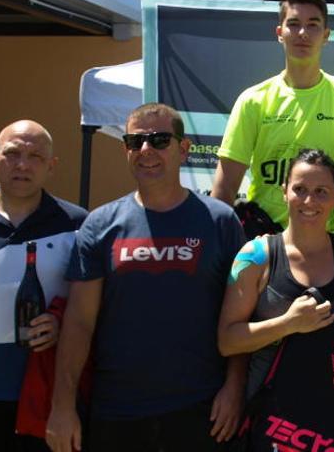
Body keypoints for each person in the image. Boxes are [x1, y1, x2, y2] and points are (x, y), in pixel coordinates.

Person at [46, 104, 246, 452]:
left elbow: (241, 316)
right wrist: (62, 406)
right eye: (134, 141)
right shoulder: (100, 223)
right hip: (118, 411)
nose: (145, 150)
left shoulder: (221, 221)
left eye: (159, 140)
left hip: (202, 409)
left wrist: (235, 388)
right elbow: (78, 323)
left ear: (183, 149)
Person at [212, 0, 334, 238]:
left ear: (326, 35)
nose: (302, 33)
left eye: (313, 25)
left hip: (332, 243)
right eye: (294, 24)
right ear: (279, 33)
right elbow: (225, 188)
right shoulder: (253, 100)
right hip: (266, 241)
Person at [217, 148, 334, 398]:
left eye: (321, 192)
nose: (309, 201)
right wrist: (288, 324)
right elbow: (227, 341)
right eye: (300, 189)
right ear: (284, 191)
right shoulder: (255, 256)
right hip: (269, 413)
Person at [0, 120, 87, 452]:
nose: (22, 165)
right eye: (12, 153)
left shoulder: (79, 225)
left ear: (51, 166)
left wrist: (63, 323)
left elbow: (90, 306)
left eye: (35, 157)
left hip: (44, 397)